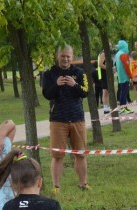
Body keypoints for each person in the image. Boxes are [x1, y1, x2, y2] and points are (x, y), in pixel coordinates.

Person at [40, 45, 89, 193]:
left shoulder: (79, 72)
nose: (66, 59)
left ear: (72, 56)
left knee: (80, 154)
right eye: (63, 56)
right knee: (57, 155)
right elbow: (47, 94)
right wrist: (56, 85)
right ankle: (56, 186)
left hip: (77, 118)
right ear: (57, 56)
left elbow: (85, 92)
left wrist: (75, 85)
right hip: (58, 119)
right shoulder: (49, 74)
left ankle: (83, 183)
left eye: (68, 56)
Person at [114, 40, 134, 111]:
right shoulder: (123, 55)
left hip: (120, 76)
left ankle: (123, 107)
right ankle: (123, 108)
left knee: (123, 92)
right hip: (125, 77)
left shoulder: (117, 54)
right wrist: (131, 76)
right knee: (124, 92)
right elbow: (127, 67)